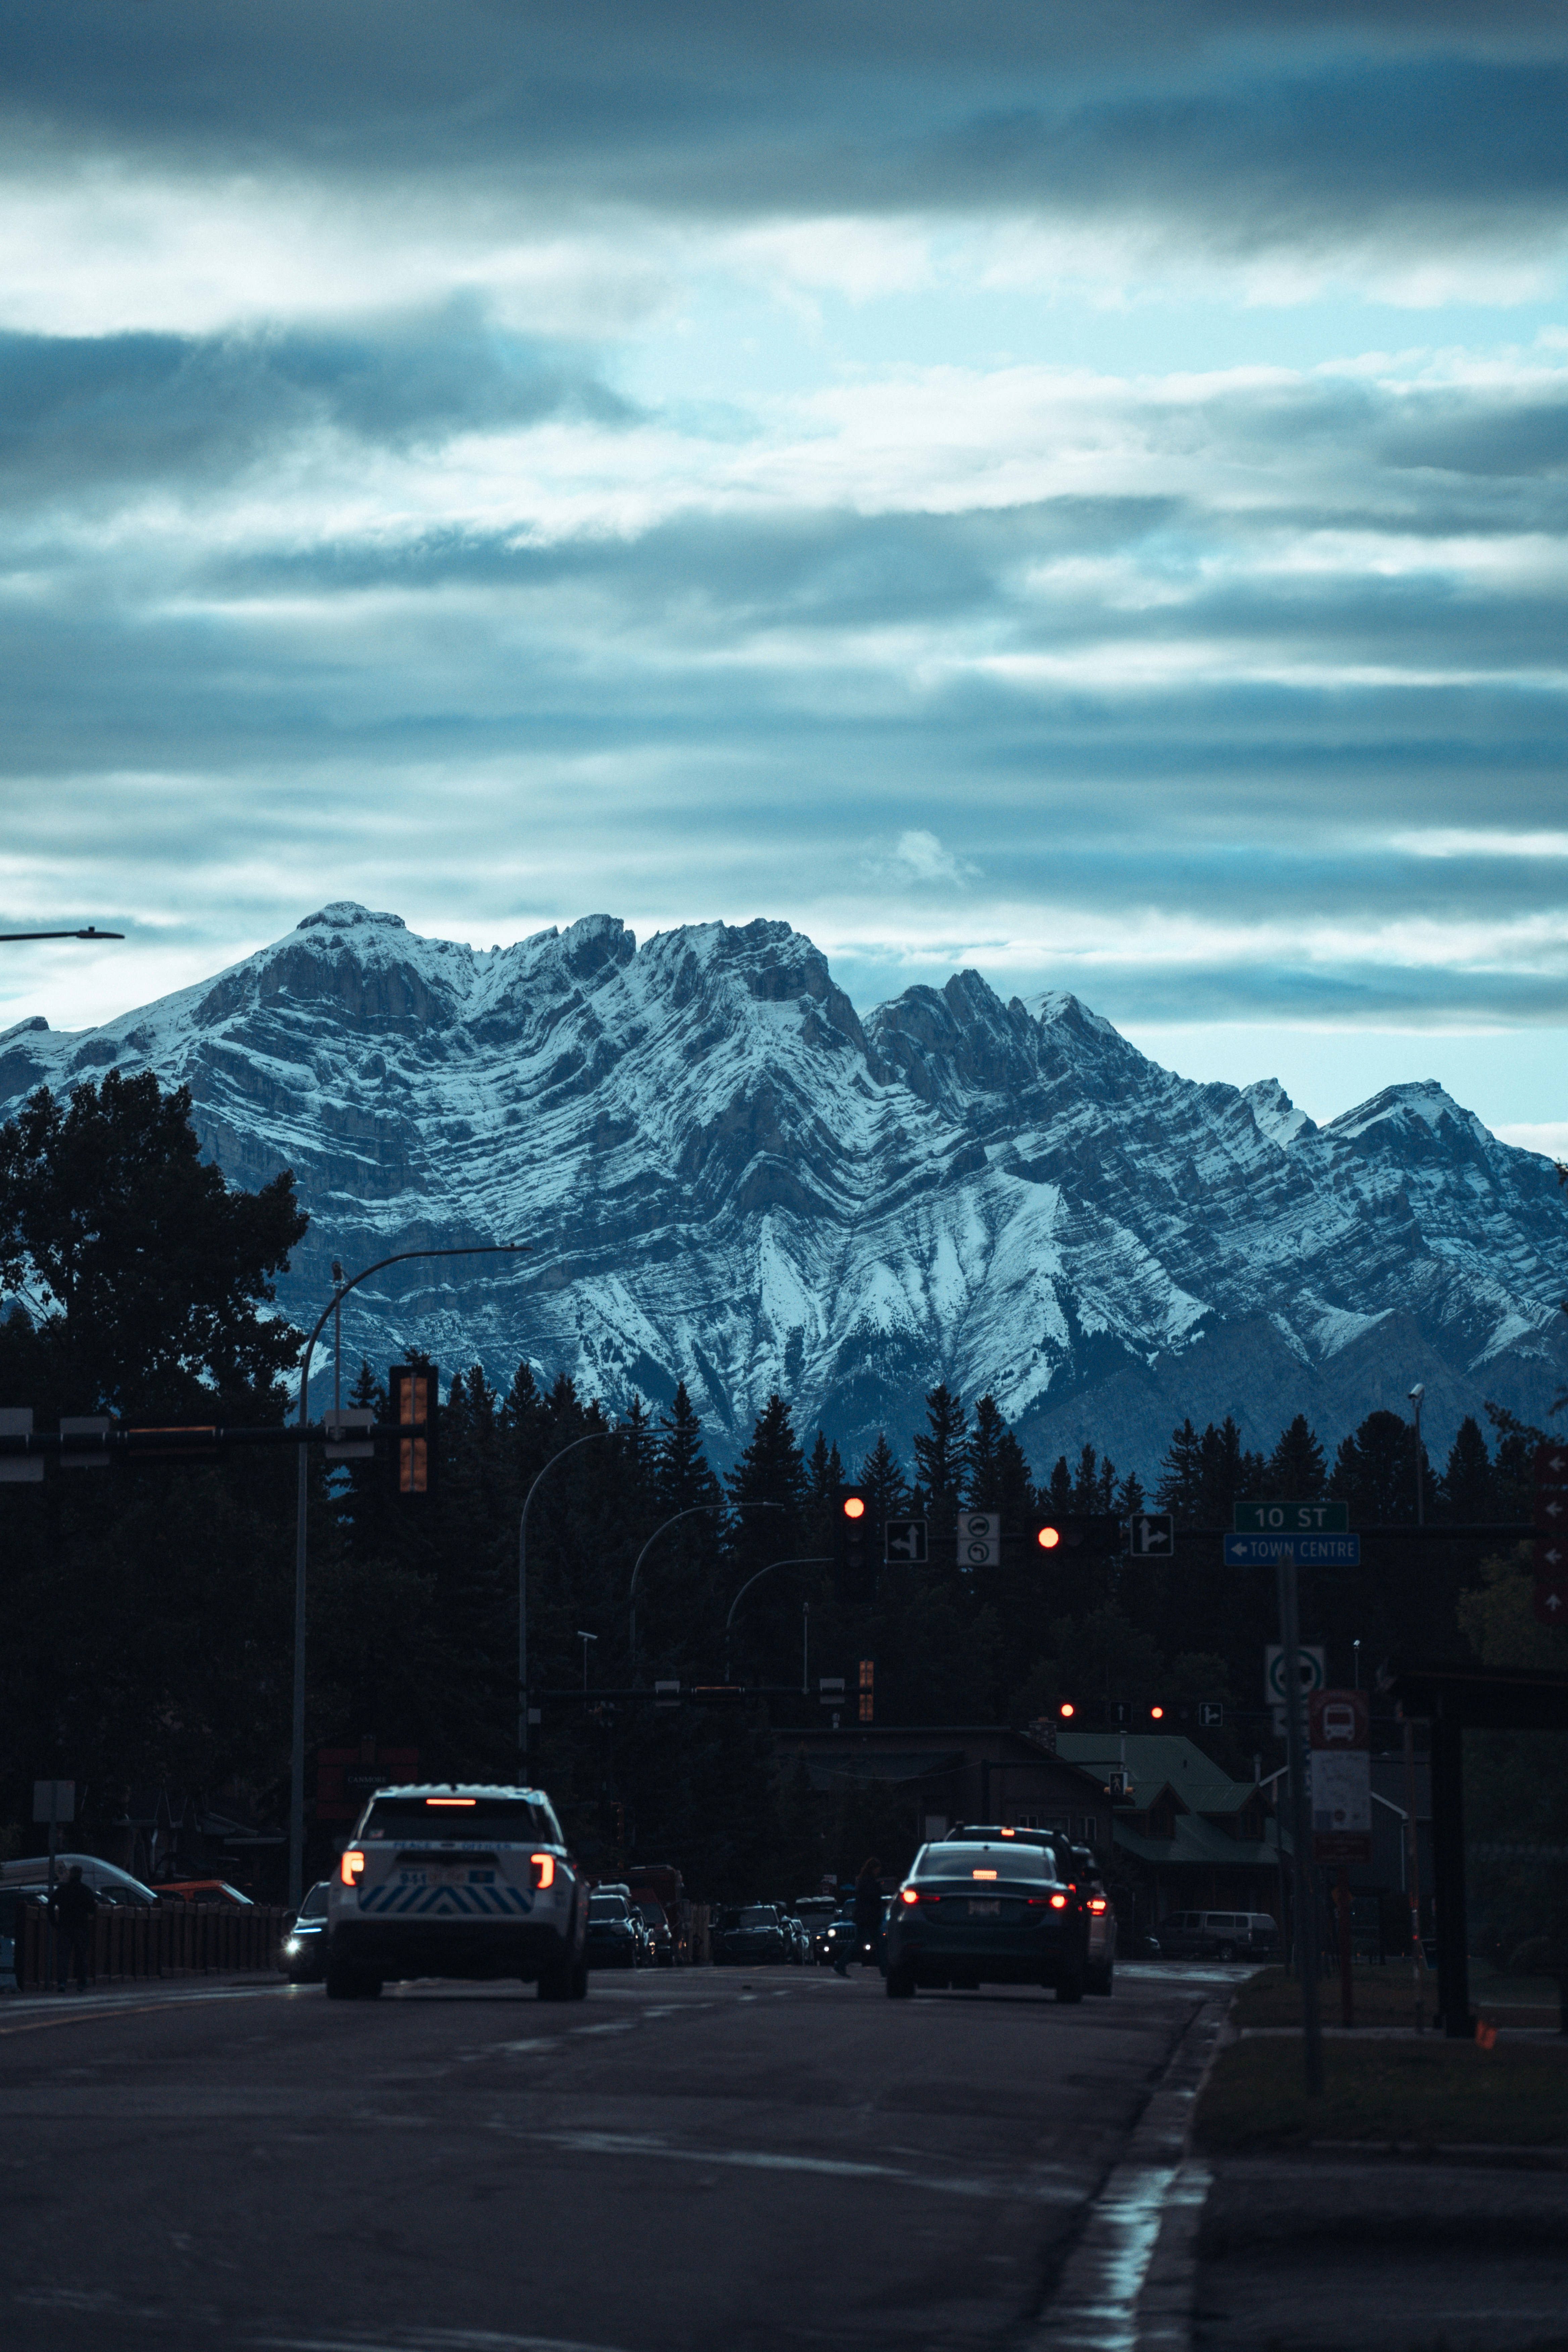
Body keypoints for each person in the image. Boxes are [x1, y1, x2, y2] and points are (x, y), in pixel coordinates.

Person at [48, 1865, 98, 1993]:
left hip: (65, 1926)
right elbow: (92, 1910)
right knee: (81, 1956)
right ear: (81, 1875)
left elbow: (51, 1905)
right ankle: (81, 1983)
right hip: (81, 1927)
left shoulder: (63, 1890)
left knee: (63, 1956)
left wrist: (55, 1922)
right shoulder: (85, 1890)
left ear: (70, 1875)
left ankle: (62, 1983)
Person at [853, 1856, 884, 1972]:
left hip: (865, 1917)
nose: (878, 1872)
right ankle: (885, 1969)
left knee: (860, 1943)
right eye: (877, 1869)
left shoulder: (864, 1880)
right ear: (874, 1869)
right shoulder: (869, 1882)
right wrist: (883, 1902)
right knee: (880, 1944)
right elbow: (872, 1899)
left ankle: (884, 1969)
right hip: (868, 1917)